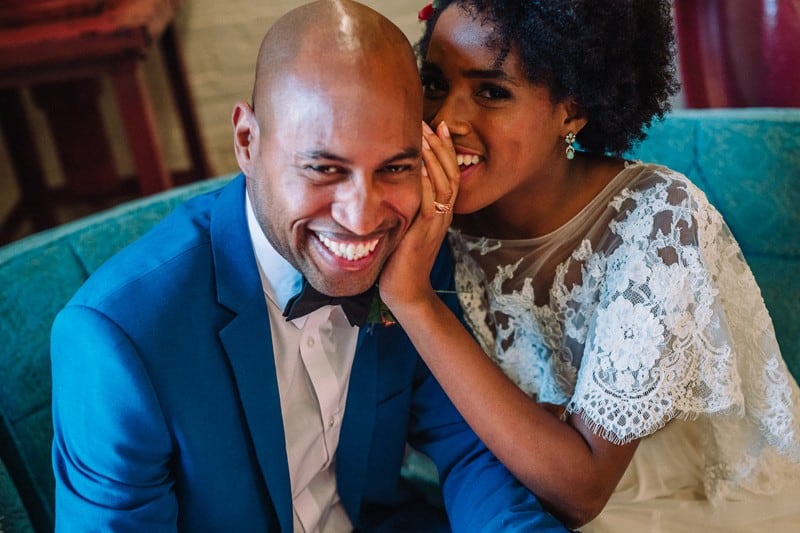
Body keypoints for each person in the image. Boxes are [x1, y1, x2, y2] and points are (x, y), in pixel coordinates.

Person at [49, 1, 568, 531]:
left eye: (394, 167)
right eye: (323, 168)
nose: (363, 219)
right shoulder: (119, 342)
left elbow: (469, 452)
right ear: (247, 142)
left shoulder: (410, 253)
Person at [379, 1, 800, 531]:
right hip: (492, 494)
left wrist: (414, 301)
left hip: (678, 500)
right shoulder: (417, 208)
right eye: (435, 84)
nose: (444, 120)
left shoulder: (656, 221)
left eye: (492, 92)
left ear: (572, 111)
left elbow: (581, 491)